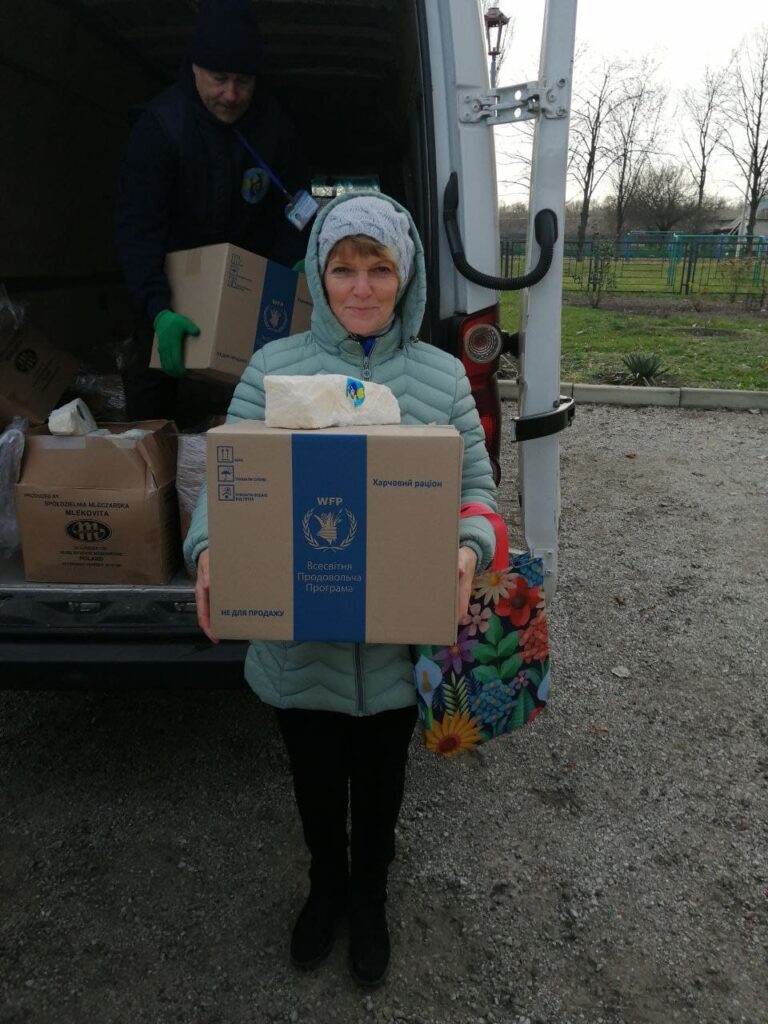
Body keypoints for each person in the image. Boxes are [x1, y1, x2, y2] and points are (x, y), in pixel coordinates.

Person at [183, 192, 498, 986]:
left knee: (382, 785)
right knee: (317, 784)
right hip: (301, 649)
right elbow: (225, 483)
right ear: (318, 276)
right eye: (343, 268)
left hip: (397, 648)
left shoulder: (441, 379)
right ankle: (326, 886)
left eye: (379, 269)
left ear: (406, 276)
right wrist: (210, 549)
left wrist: (469, 549)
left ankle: (370, 898)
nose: (361, 287)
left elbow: (478, 492)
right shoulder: (274, 369)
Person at [114, 0, 310, 424]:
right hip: (172, 301)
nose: (231, 95)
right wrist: (157, 308)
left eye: (243, 81)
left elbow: (297, 207)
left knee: (258, 423)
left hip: (252, 304)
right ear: (195, 68)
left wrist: (294, 262)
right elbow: (138, 229)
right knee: (154, 415)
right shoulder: (161, 129)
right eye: (219, 79)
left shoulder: (275, 130)